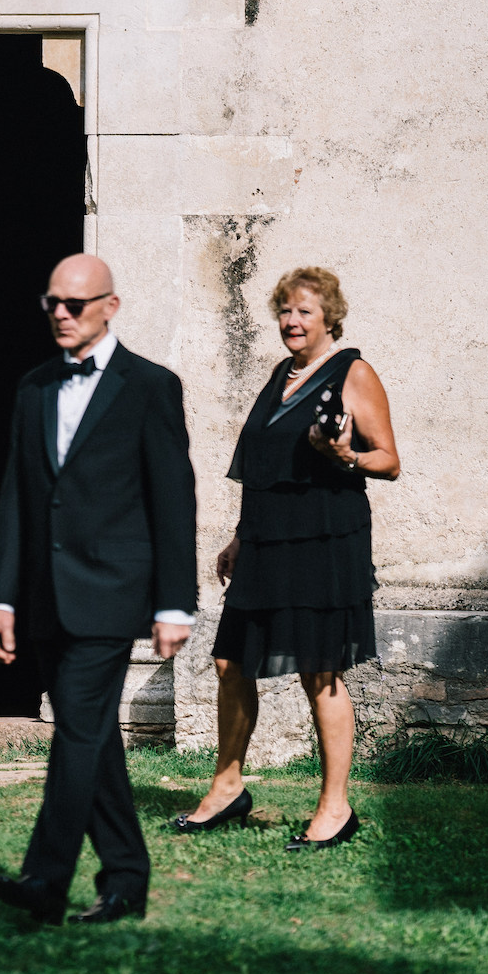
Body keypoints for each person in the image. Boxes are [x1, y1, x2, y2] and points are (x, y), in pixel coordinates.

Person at [0, 254, 197, 926]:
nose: (62, 315)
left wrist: (173, 600)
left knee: (75, 724)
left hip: (112, 592)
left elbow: (173, 499)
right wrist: (1, 597)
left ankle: (46, 879)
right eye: (52, 303)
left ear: (112, 305)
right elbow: (17, 498)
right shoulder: (33, 387)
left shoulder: (151, 386)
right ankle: (127, 877)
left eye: (75, 303)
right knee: (94, 736)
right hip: (45, 596)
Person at [175, 266, 399, 850]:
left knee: (319, 669)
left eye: (304, 311)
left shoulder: (354, 372)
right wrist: (241, 536)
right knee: (231, 661)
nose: (291, 321)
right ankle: (226, 787)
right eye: (284, 311)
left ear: (330, 317)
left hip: (325, 540)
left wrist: (347, 454)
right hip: (268, 540)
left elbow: (390, 460)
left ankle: (335, 807)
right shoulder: (281, 375)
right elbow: (263, 470)